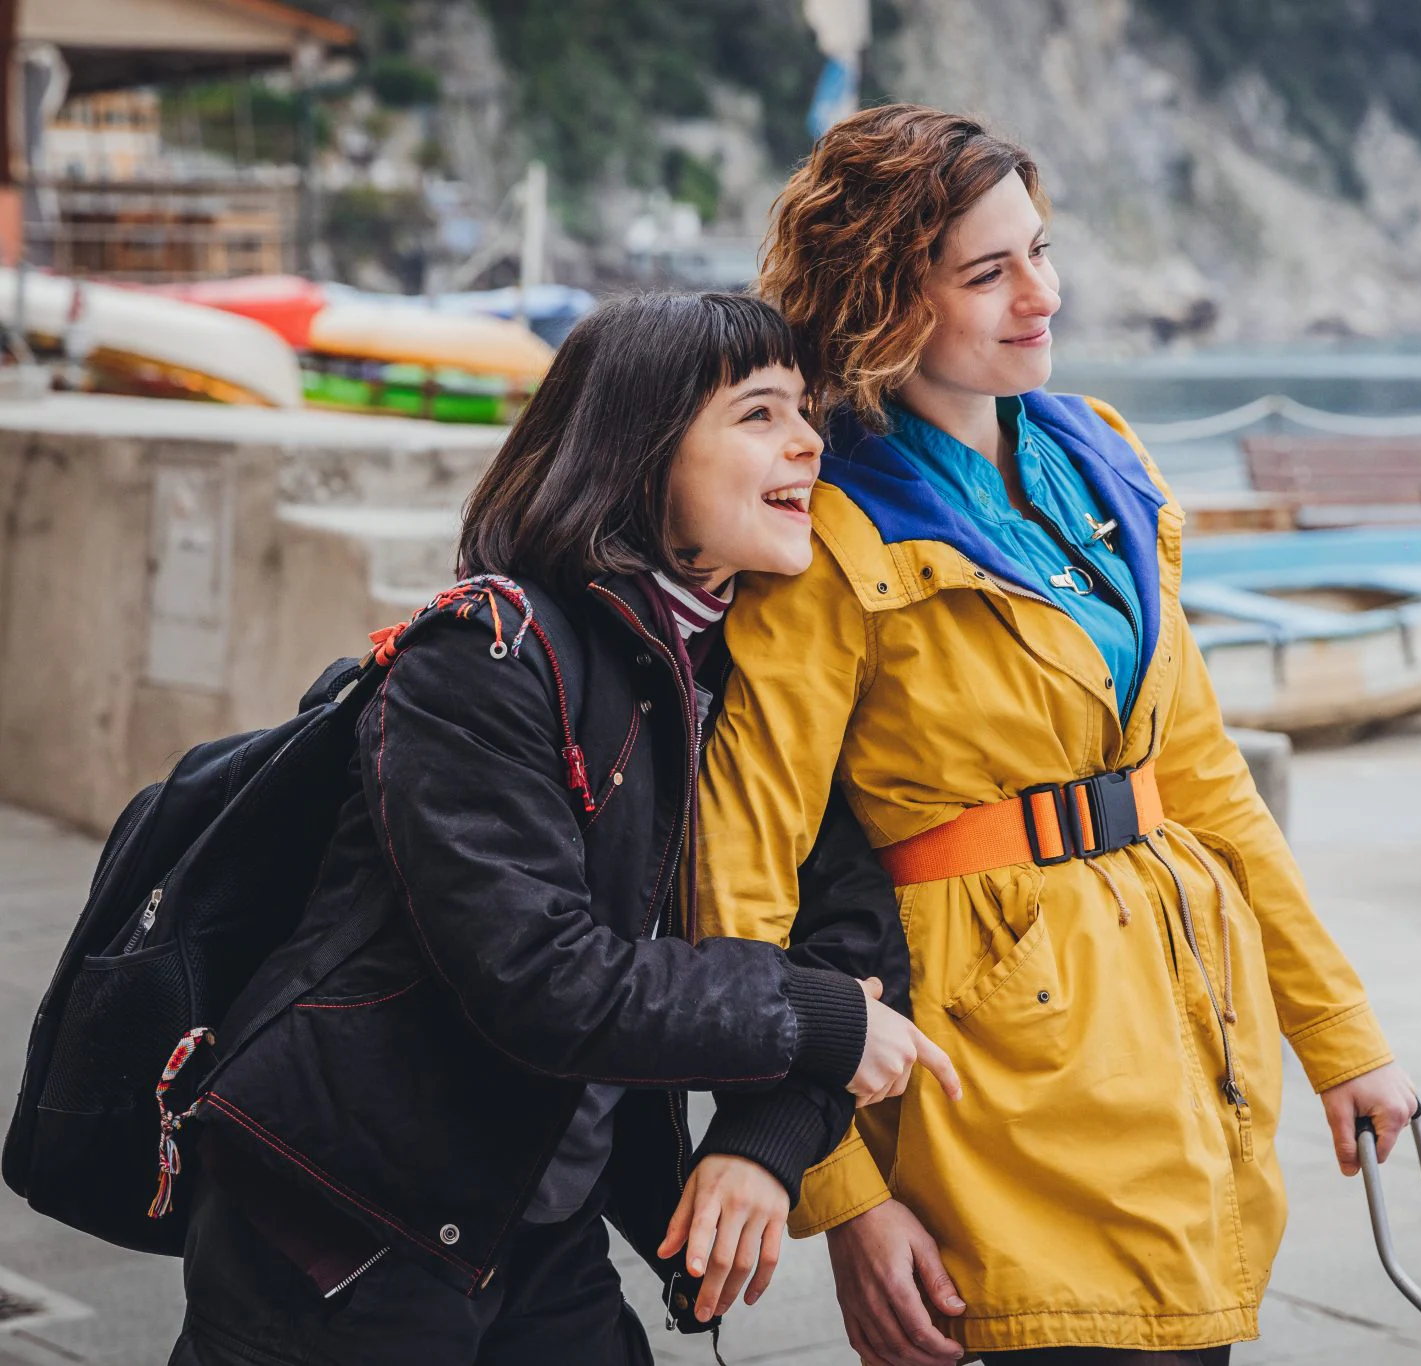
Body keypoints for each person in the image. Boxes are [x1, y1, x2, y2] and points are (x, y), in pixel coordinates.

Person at [695, 105, 1419, 1366]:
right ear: (883, 297)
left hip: (1183, 1022)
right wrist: (841, 1196)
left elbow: (1204, 780)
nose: (1042, 294)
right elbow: (743, 876)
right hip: (986, 1070)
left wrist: (1338, 1036)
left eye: (1039, 249)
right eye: (988, 272)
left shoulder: (1104, 458)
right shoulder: (827, 528)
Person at [167, 292, 957, 1366]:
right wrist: (810, 1018)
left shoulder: (748, 676)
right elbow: (539, 974)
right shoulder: (487, 655)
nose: (810, 441)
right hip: (344, 1222)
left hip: (537, 1222)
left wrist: (762, 1142)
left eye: (807, 411)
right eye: (760, 412)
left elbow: (853, 941)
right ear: (640, 449)